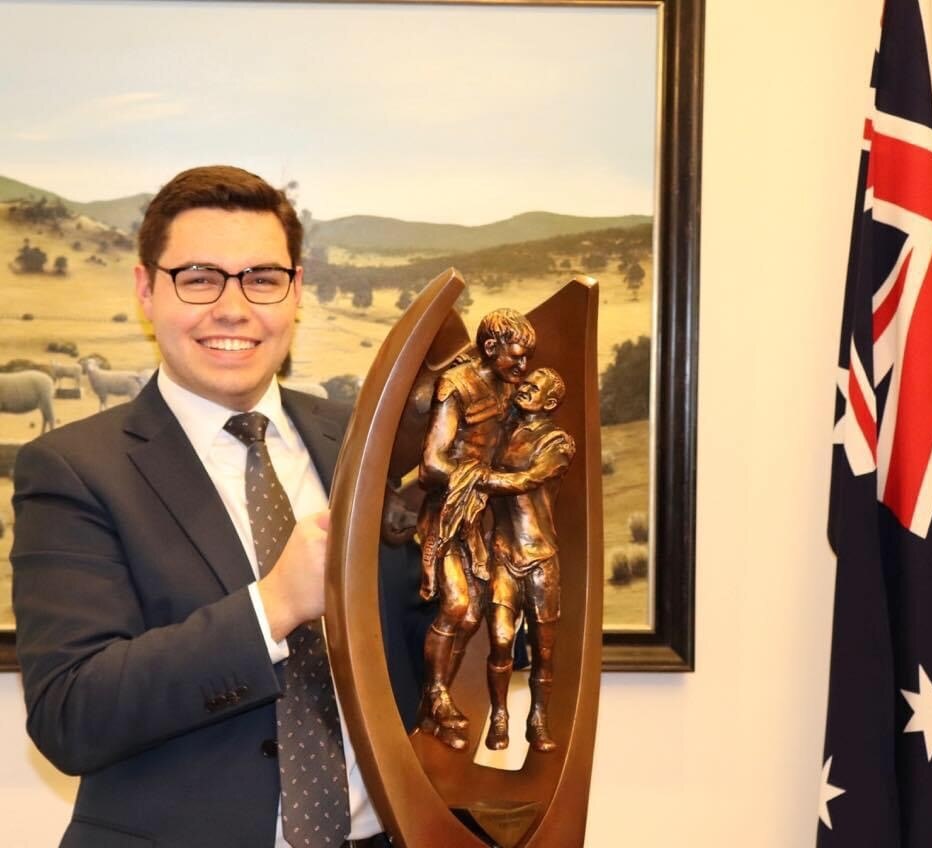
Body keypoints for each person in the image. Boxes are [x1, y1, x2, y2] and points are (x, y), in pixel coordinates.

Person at [11, 165, 422, 848]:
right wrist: (272, 607)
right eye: (199, 278)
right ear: (146, 290)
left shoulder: (375, 443)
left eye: (262, 278)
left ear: (296, 291)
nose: (233, 308)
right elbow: (71, 714)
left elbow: (443, 637)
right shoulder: (71, 470)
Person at [416, 308, 535, 749]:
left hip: (483, 513)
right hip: (448, 511)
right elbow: (432, 463)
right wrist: (483, 479)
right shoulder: (456, 385)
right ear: (490, 348)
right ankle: (437, 693)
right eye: (516, 357)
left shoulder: (509, 388)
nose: (523, 366)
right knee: (455, 604)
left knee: (471, 616)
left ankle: (435, 705)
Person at [477, 368, 575, 753]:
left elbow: (527, 480)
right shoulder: (502, 432)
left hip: (540, 556)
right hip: (504, 553)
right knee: (501, 641)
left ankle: (538, 719)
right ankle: (499, 716)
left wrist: (476, 478)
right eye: (526, 382)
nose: (525, 389)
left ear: (549, 402)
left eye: (534, 388)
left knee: (543, 650)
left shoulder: (558, 443)